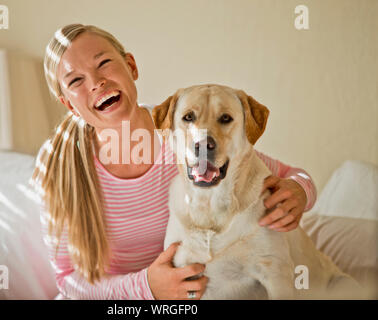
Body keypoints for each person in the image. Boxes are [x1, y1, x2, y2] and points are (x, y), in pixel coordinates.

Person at [31, 24, 317, 300]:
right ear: (68, 103)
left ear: (131, 66)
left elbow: (289, 175)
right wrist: (145, 288)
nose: (96, 82)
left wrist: (300, 191)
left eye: (103, 63)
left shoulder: (182, 131)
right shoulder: (58, 163)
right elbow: (67, 278)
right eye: (76, 80)